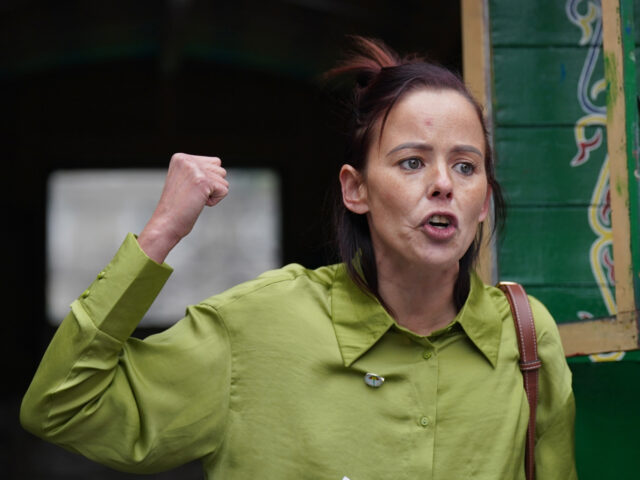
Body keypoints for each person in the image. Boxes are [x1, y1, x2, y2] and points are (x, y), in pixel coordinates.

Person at [20, 37, 576, 479]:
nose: (442, 185)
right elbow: (63, 407)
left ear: (483, 202)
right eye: (411, 162)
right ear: (354, 190)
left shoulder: (526, 340)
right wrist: (160, 233)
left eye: (465, 166)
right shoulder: (258, 330)